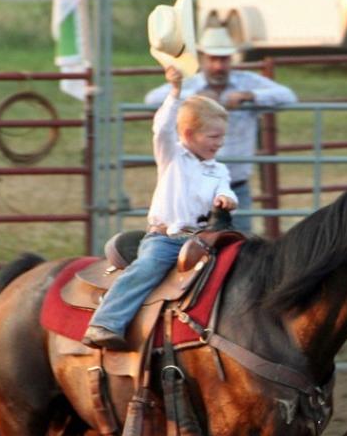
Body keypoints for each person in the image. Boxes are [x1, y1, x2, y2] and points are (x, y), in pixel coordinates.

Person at [82, 66, 238, 350]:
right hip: (166, 239)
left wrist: (227, 200)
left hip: (202, 240)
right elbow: (163, 127)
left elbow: (225, 188)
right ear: (189, 134)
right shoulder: (172, 156)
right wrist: (175, 93)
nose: (220, 143)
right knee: (147, 269)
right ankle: (105, 322)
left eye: (221, 137)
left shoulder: (219, 170)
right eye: (213, 137)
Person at [144, 24, 296, 233]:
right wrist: (196, 102)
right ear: (203, 58)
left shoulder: (247, 82)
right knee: (190, 242)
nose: (218, 65)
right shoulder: (192, 84)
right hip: (192, 185)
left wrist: (251, 96)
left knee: (239, 244)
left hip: (232, 184)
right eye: (213, 58)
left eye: (224, 59)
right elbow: (152, 99)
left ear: (231, 60)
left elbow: (288, 96)